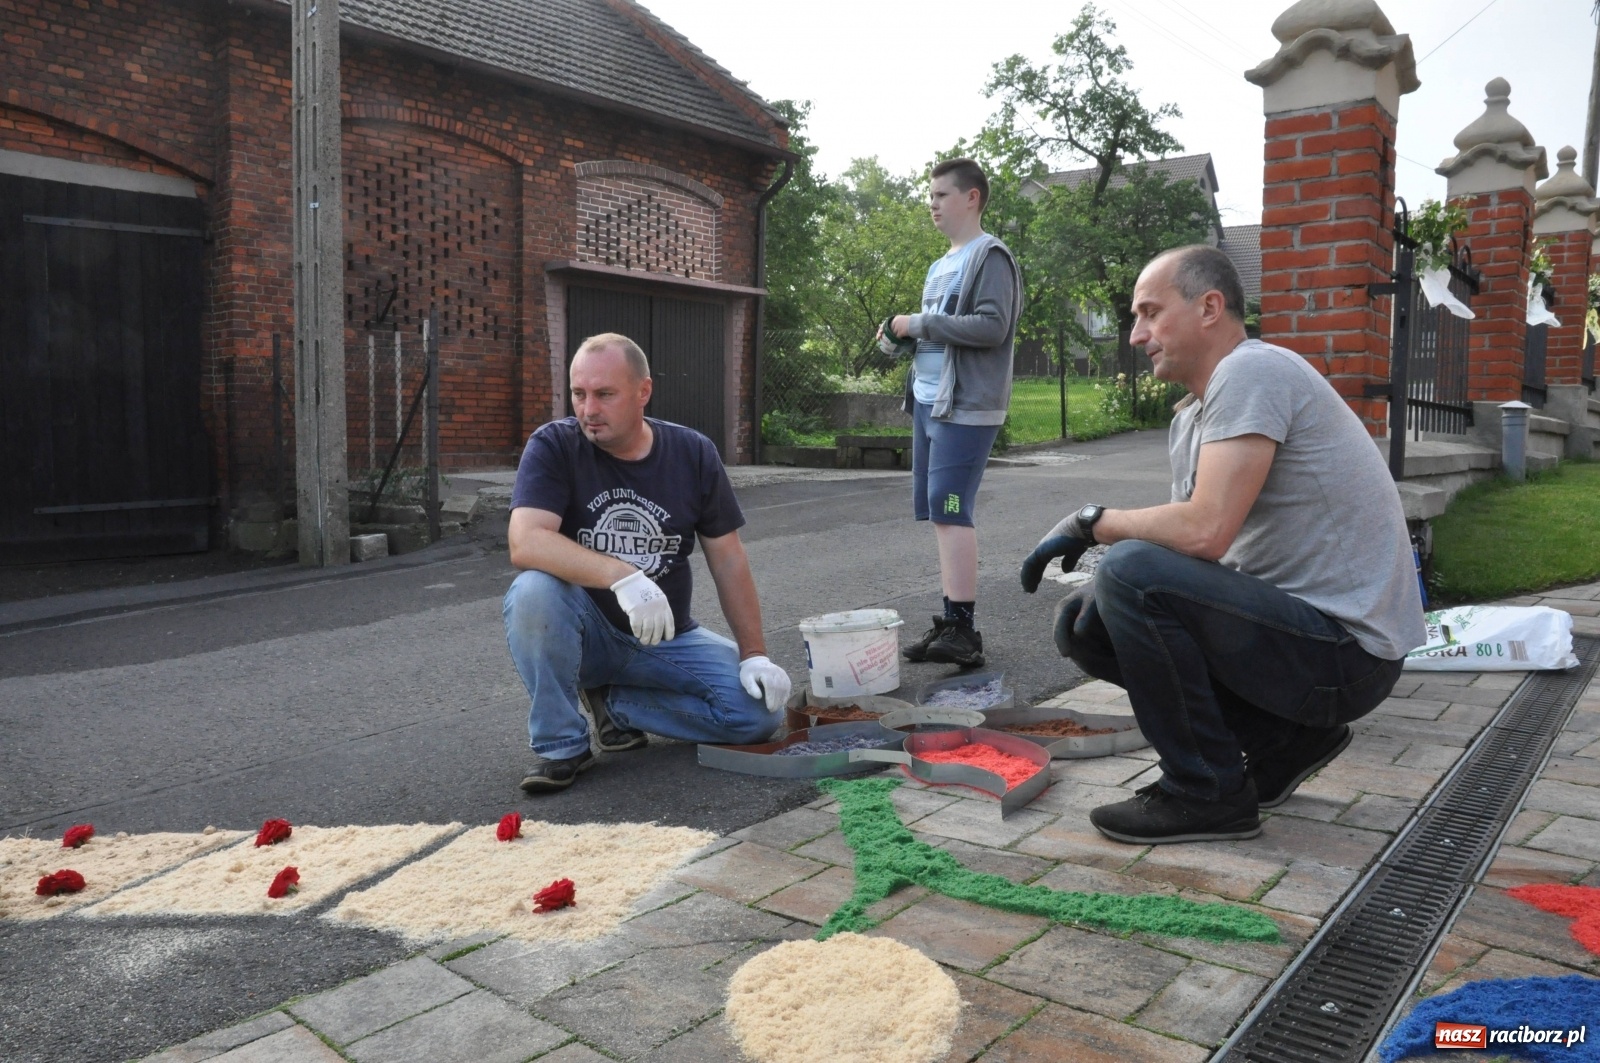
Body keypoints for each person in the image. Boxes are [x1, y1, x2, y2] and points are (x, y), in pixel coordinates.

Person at [1019, 245, 1425, 844]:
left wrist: (1093, 523)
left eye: (1150, 313)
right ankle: (1284, 743)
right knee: (1087, 622)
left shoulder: (1253, 370)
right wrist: (1106, 581)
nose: (1136, 335)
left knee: (1129, 572)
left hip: (1350, 654)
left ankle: (1206, 793)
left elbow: (1205, 531)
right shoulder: (1193, 415)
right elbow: (1190, 551)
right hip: (1305, 643)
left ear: (1210, 307)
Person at [502, 332, 791, 793]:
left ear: (643, 392)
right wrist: (620, 576)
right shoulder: (555, 445)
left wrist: (755, 654)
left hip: (665, 637)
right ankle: (562, 745)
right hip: (584, 637)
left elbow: (729, 558)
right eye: (579, 394)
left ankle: (614, 706)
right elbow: (526, 541)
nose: (588, 410)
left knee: (758, 714)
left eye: (604, 394)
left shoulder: (692, 453)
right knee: (533, 590)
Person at [879, 157, 1023, 669]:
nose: (932, 204)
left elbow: (991, 327)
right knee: (939, 510)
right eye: (931, 196)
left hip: (966, 405)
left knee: (951, 505)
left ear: (972, 198)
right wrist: (900, 340)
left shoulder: (991, 256)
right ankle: (952, 619)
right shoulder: (941, 265)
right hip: (928, 399)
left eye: (941, 195)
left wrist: (919, 323)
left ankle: (964, 630)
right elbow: (936, 332)